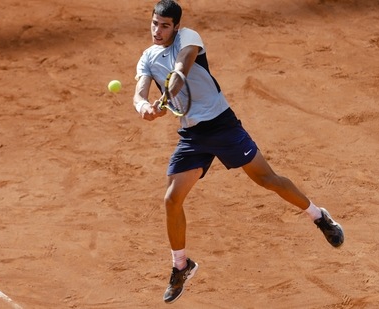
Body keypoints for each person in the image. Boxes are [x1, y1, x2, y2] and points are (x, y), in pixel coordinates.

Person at [132, 0, 345, 304]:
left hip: (223, 126)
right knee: (171, 199)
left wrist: (166, 98)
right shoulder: (148, 58)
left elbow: (181, 69)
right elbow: (139, 92)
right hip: (192, 136)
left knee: (268, 180)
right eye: (155, 23)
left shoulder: (188, 38)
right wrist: (144, 107)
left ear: (176, 26)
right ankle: (181, 265)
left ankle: (318, 216)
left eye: (165, 25)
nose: (158, 30)